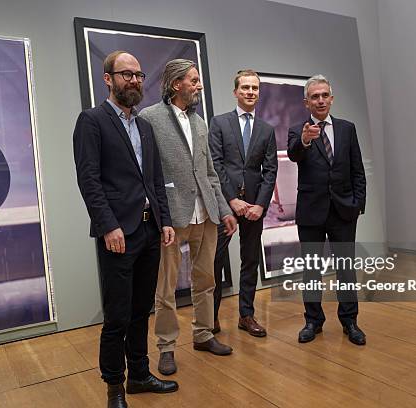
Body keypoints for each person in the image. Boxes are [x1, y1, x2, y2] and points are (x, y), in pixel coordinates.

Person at [73, 51, 178, 408]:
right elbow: (89, 180)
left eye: (138, 75)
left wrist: (164, 222)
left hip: (150, 232)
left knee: (140, 310)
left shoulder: (145, 126)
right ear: (108, 78)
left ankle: (139, 375)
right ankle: (114, 389)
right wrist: (108, 226)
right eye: (126, 74)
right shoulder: (91, 121)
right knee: (117, 315)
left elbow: (155, 180)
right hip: (118, 235)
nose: (134, 81)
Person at [139, 59, 237, 376]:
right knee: (165, 288)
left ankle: (204, 334)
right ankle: (166, 348)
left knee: (206, 279)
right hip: (170, 217)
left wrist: (224, 210)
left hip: (205, 214)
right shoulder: (149, 118)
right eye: (194, 80)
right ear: (176, 83)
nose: (199, 85)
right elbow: (146, 172)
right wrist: (156, 213)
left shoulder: (200, 122)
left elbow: (209, 173)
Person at [287, 74, 367, 346]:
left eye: (324, 95)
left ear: (331, 99)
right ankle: (313, 321)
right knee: (311, 270)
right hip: (311, 212)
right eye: (314, 97)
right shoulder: (298, 130)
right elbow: (295, 154)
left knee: (346, 269)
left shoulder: (347, 128)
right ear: (306, 102)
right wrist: (306, 141)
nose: (320, 100)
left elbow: (357, 169)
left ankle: (350, 321)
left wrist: (358, 205)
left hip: (344, 211)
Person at [209, 69, 277, 337]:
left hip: (254, 208)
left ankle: (246, 316)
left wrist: (260, 205)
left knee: (250, 261)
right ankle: (210, 318)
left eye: (255, 88)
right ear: (236, 91)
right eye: (245, 87)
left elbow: (270, 170)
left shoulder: (267, 129)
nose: (250, 92)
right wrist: (232, 200)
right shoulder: (219, 123)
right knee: (215, 260)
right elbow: (215, 164)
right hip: (226, 205)